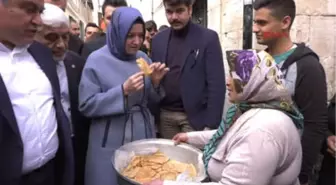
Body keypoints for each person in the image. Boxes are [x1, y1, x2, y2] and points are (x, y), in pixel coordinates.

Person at [146, 50, 304, 185]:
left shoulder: (261, 132)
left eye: (235, 77)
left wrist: (166, 183)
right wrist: (190, 137)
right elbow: (230, 135)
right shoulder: (260, 109)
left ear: (254, 83)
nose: (228, 83)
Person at [78, 7, 169, 185]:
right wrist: (122, 91)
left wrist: (156, 83)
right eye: (130, 36)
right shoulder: (96, 60)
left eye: (140, 35)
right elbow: (86, 105)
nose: (137, 42)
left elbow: (150, 101)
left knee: (142, 176)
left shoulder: (143, 58)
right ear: (117, 32)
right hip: (109, 137)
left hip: (142, 134)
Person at [253, 0, 328, 184]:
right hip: (256, 164)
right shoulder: (257, 60)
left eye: (262, 23)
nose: (255, 29)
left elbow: (314, 126)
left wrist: (300, 176)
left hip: (287, 172)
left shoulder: (308, 66)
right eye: (255, 22)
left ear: (285, 22)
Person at [0, 0, 74, 185]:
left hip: (52, 174)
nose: (38, 21)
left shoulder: (42, 54)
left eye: (40, 12)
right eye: (30, 10)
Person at [150, 0, 225, 139]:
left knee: (192, 160)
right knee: (167, 159)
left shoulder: (208, 38)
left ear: (190, 9)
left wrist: (210, 126)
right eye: (169, 12)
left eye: (179, 11)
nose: (174, 17)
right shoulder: (158, 40)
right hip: (165, 116)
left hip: (194, 118)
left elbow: (216, 84)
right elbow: (154, 80)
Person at [35, 4, 90, 185]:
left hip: (76, 145)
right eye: (51, 38)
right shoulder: (27, 69)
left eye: (65, 37)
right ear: (34, 34)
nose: (60, 45)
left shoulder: (77, 63)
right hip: (45, 157)